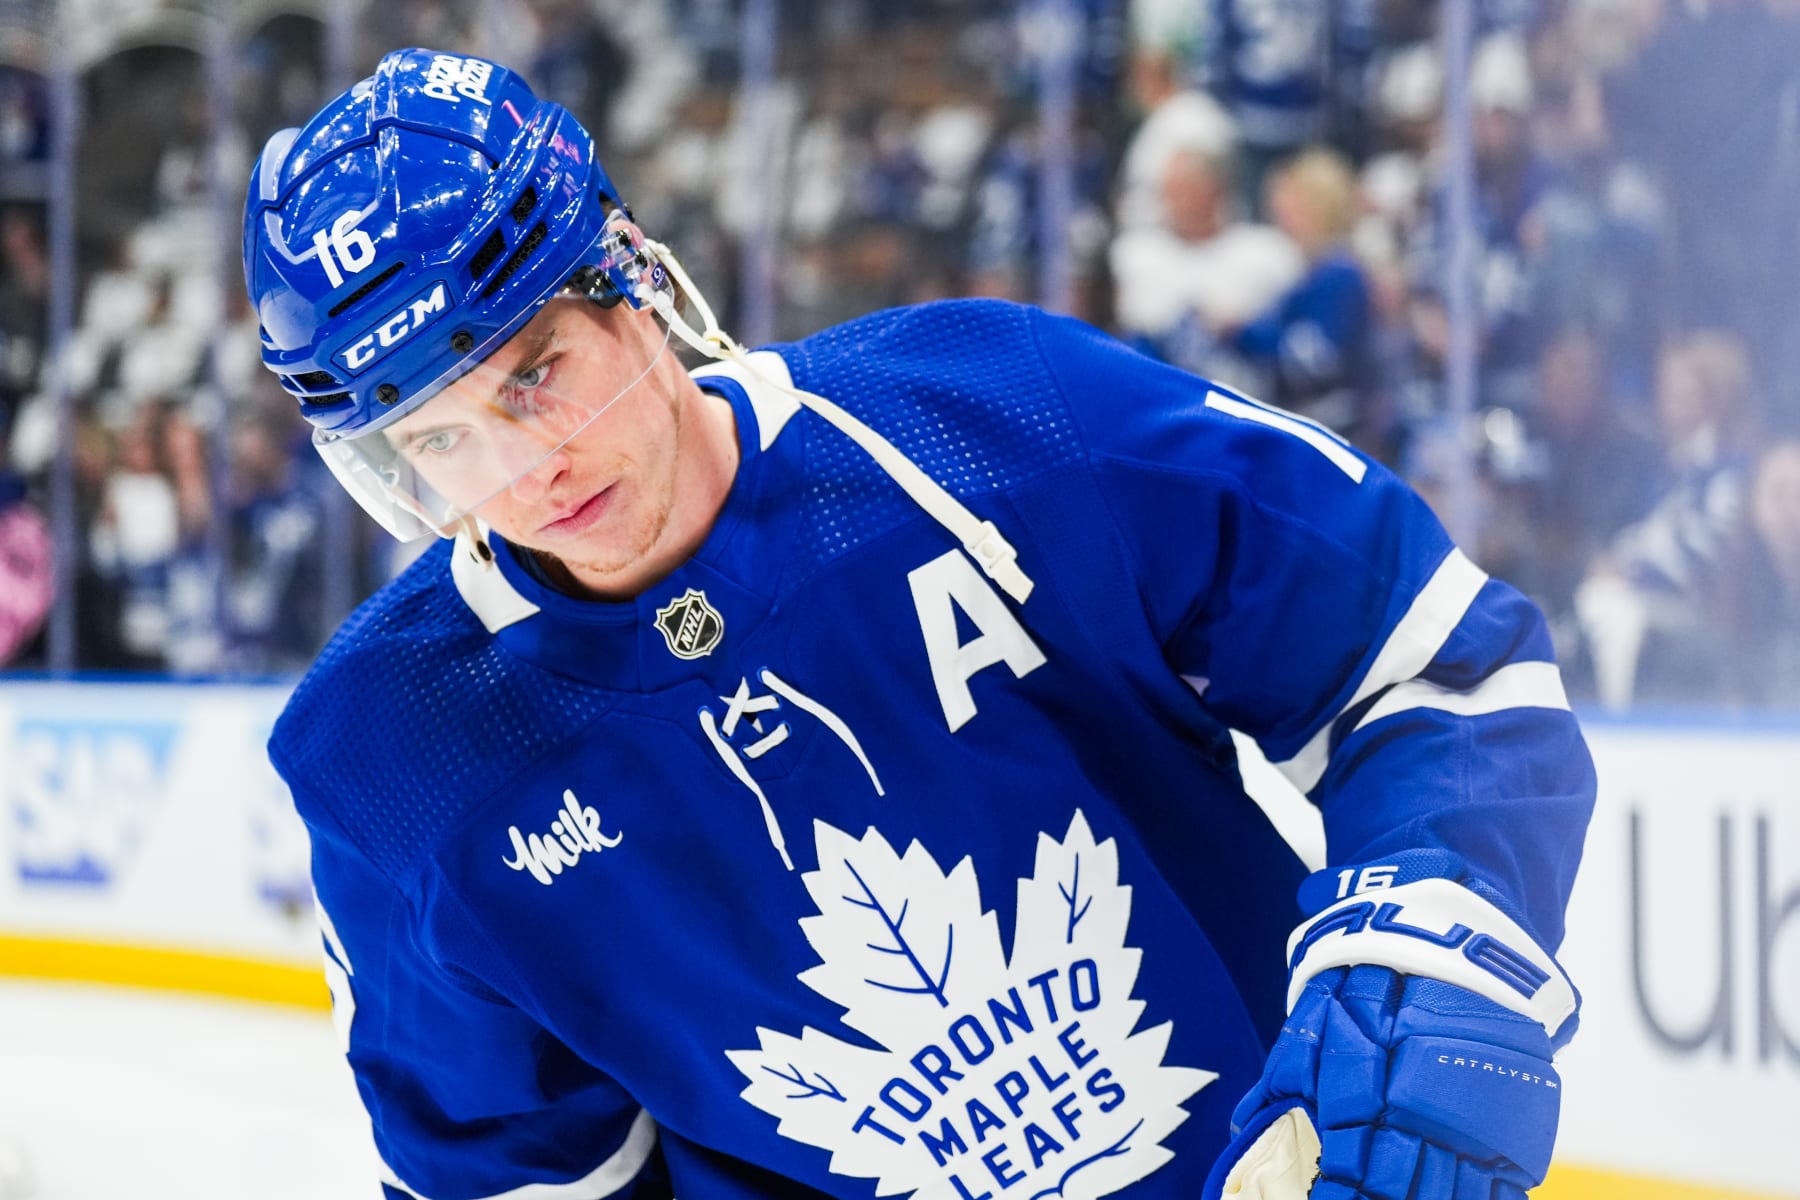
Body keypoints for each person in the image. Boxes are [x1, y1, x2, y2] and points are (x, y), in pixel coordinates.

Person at [246, 49, 1594, 1200]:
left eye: (539, 373)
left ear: (632, 279)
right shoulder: (393, 764)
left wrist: (1429, 933)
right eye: (441, 443)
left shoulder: (994, 417)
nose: (524, 474)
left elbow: (1418, 659)